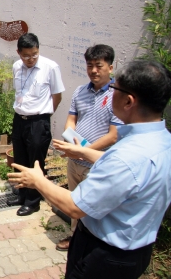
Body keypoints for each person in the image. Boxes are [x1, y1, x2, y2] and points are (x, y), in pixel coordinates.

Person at [10, 60, 171, 279]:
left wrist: (38, 180)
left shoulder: (126, 158)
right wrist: (85, 152)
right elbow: (131, 169)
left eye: (114, 88)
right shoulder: (162, 141)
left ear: (128, 101)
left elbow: (75, 206)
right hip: (137, 252)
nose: (110, 93)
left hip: (103, 256)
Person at [56, 44, 123, 251]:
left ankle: (91, 246)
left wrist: (85, 151)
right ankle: (75, 239)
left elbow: (114, 135)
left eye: (99, 66)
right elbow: (70, 121)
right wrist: (69, 139)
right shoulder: (79, 92)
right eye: (90, 65)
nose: (94, 70)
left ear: (110, 68)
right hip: (74, 161)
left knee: (93, 208)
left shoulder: (117, 97)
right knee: (76, 203)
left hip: (97, 163)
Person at [6, 33, 65, 216]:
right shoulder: (17, 66)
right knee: (21, 159)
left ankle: (33, 202)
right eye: (26, 55)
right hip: (20, 119)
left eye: (34, 54)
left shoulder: (50, 67)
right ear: (18, 52)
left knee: (36, 163)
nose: (30, 59)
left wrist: (45, 115)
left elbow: (57, 96)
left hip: (38, 122)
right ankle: (22, 194)